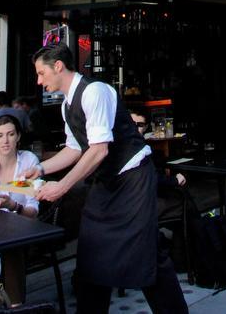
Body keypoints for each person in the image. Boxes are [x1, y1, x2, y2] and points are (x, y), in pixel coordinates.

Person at [24, 43, 187, 314]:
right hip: (108, 183)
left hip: (133, 177)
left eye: (42, 73)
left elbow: (99, 149)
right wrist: (41, 169)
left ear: (58, 67)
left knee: (145, 253)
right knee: (91, 252)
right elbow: (76, 149)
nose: (39, 81)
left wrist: (62, 186)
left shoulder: (94, 92)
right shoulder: (67, 106)